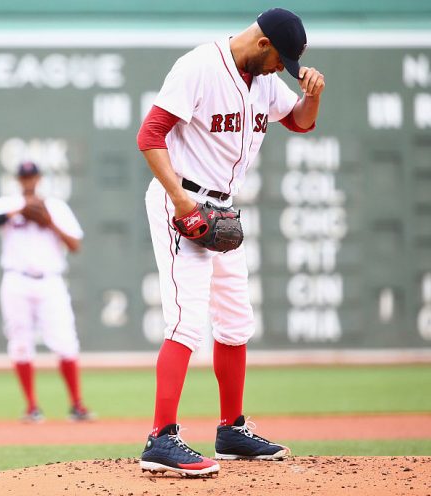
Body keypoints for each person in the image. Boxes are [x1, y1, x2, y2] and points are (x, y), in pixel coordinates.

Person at [136, 8, 325, 476]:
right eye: (279, 58)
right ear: (262, 44)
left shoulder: (262, 82)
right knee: (185, 320)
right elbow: (150, 135)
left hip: (222, 211)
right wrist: (180, 202)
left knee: (237, 321)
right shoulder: (200, 66)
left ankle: (231, 430)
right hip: (180, 199)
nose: (281, 67)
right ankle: (161, 438)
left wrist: (312, 96)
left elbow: (299, 122)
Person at [0, 160, 94, 423]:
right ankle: (32, 406)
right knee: (20, 342)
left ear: (39, 177)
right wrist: (20, 210)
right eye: (24, 177)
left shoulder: (56, 207)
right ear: (18, 180)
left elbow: (75, 244)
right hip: (16, 280)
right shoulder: (7, 203)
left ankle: (77, 405)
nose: (28, 180)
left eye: (32, 175)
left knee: (66, 341)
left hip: (50, 282)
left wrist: (48, 222)